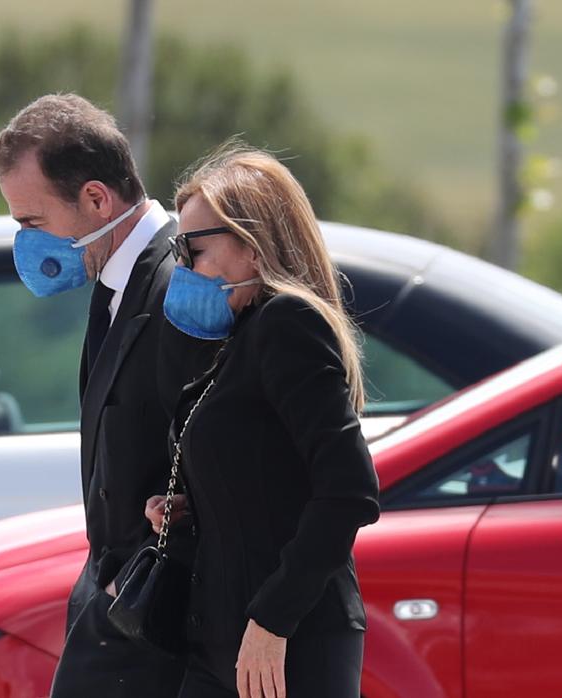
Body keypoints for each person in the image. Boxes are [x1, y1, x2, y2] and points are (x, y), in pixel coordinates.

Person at [0, 94, 212, 697]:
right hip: (118, 605)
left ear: (94, 198)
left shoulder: (178, 286)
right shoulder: (111, 277)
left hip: (156, 618)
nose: (27, 242)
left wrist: (128, 583)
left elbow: (212, 454)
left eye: (32, 222)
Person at [144, 145, 380, 698]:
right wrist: (191, 506)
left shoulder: (287, 324)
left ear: (250, 247)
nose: (184, 267)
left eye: (192, 249)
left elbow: (349, 490)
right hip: (220, 638)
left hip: (285, 639)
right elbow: (265, 479)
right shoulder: (240, 337)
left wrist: (274, 621)